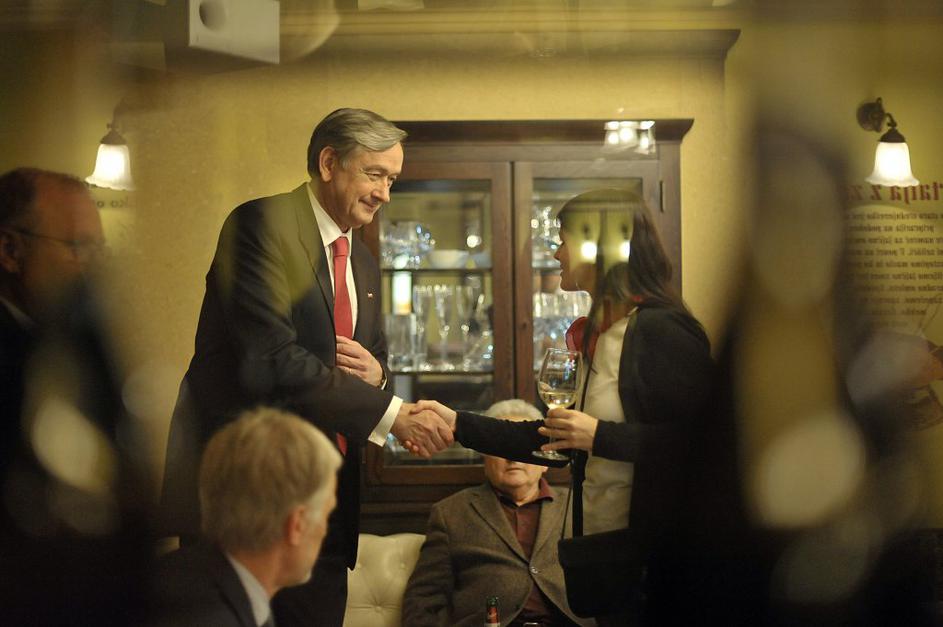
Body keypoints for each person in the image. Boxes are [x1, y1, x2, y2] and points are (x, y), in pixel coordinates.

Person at [160, 108, 454, 627]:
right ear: (328, 162)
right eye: (375, 174)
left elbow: (374, 359)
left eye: (392, 180)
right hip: (243, 500)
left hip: (326, 507)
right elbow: (272, 359)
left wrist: (379, 377)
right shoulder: (259, 226)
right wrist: (393, 414)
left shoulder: (363, 260)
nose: (385, 193)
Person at [414, 188, 715, 625]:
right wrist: (457, 423)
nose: (556, 253)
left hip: (655, 569)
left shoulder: (662, 329)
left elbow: (706, 446)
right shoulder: (600, 334)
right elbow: (556, 439)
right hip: (606, 559)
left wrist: (600, 437)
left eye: (563, 240)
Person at [0, 167, 152, 626]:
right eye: (78, 246)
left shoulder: (73, 346)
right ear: (10, 250)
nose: (92, 266)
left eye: (98, 249)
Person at [402, 399, 592, 627]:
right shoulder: (451, 512)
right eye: (504, 448)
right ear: (485, 457)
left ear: (545, 463)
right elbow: (423, 599)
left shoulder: (579, 507)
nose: (513, 457)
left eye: (522, 448)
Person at [151, 407, 342, 627]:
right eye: (326, 514)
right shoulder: (213, 618)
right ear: (297, 524)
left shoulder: (174, 578)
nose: (324, 530)